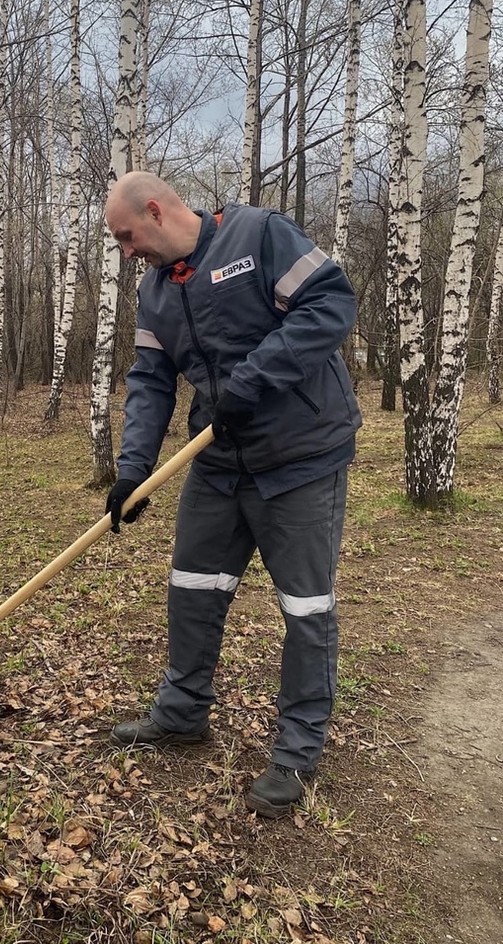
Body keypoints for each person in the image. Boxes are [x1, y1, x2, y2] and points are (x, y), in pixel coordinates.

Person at [103, 171, 362, 819]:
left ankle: (298, 751)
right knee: (192, 587)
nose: (127, 251)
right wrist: (133, 470)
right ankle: (182, 711)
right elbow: (151, 382)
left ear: (156, 211)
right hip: (218, 465)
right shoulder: (157, 295)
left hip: (301, 458)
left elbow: (330, 303)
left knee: (306, 608)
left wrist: (255, 378)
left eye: (127, 237)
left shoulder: (259, 235)